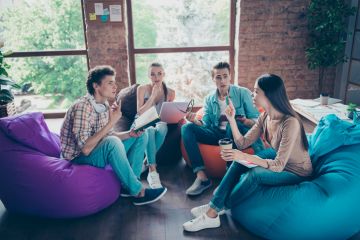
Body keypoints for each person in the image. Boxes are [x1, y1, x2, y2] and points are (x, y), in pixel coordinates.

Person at [183, 73, 313, 232]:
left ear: (269, 95)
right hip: (279, 158)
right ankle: (216, 206)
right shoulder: (265, 117)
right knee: (239, 161)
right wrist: (231, 120)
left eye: (257, 91)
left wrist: (245, 156)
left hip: (295, 170)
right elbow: (241, 142)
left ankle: (213, 213)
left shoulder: (290, 122)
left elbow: (279, 166)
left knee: (255, 174)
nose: (253, 94)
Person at [60, 65, 167, 206]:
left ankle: (130, 184)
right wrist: (112, 122)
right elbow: (85, 149)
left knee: (141, 135)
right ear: (96, 86)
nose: (115, 86)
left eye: (114, 82)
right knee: (112, 142)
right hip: (78, 158)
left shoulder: (103, 104)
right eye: (110, 83)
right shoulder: (82, 107)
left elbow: (111, 135)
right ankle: (138, 191)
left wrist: (130, 134)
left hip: (96, 149)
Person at [182, 62, 264, 196]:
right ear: (213, 79)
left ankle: (229, 178)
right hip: (216, 134)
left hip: (236, 134)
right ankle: (202, 177)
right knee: (187, 128)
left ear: (230, 76)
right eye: (218, 77)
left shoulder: (242, 93)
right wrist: (194, 121)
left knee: (233, 126)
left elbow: (257, 121)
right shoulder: (209, 99)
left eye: (225, 76)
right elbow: (206, 124)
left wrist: (244, 121)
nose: (222, 80)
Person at [135, 62, 175, 189]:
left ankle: (146, 160)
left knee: (163, 127)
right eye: (152, 74)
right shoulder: (142, 89)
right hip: (143, 121)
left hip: (159, 121)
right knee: (150, 131)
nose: (156, 77)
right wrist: (152, 97)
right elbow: (140, 112)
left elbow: (168, 111)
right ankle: (152, 170)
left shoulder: (170, 92)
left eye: (159, 74)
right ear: (148, 76)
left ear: (164, 74)